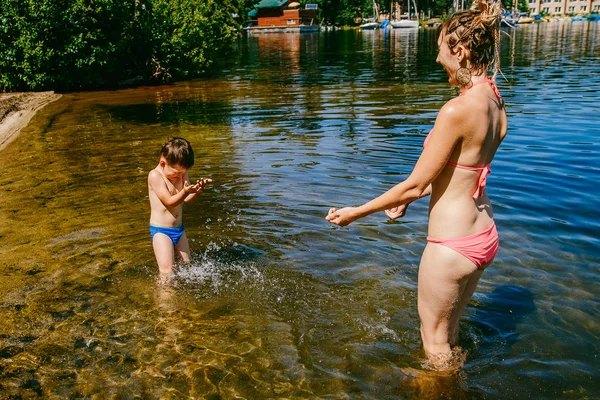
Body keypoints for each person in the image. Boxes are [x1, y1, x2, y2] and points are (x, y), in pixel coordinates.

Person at [326, 0, 506, 370]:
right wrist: (415, 197)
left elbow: (415, 183)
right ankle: (457, 385)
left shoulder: (456, 110)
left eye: (440, 49)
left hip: (451, 245)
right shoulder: (494, 100)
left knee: (434, 342)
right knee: (449, 334)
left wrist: (355, 213)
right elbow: (458, 173)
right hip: (483, 233)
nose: (438, 59)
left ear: (461, 49)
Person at [148, 137, 212, 275]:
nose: (180, 176)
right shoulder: (155, 176)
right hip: (161, 231)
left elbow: (187, 199)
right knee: (167, 271)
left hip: (179, 229)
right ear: (163, 163)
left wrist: (197, 191)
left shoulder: (181, 171)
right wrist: (184, 191)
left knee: (187, 266)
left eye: (183, 173)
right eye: (177, 173)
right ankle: (164, 296)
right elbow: (170, 202)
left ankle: (184, 295)